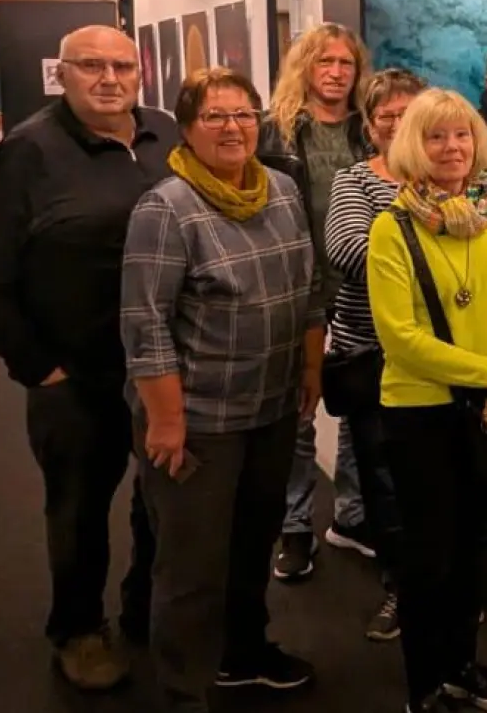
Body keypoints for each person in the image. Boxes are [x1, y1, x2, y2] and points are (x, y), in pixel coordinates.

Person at [0, 25, 167, 688]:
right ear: (63, 75)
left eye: (122, 67)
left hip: (164, 370)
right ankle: (78, 630)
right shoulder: (26, 153)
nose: (110, 79)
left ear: (140, 74)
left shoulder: (166, 134)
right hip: (77, 377)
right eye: (91, 66)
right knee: (78, 512)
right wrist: (38, 369)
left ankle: (146, 604)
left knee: (163, 498)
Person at [121, 67, 322, 712]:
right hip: (199, 419)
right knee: (190, 568)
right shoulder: (166, 209)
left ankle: (244, 654)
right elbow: (145, 326)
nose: (233, 127)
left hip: (270, 407)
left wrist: (310, 373)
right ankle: (183, 691)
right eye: (215, 116)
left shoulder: (284, 190)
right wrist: (166, 421)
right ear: (186, 128)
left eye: (243, 114)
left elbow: (309, 288)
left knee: (251, 545)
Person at [366, 88, 487, 713]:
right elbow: (400, 341)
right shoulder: (392, 227)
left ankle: (462, 663)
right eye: (436, 137)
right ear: (414, 145)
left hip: (485, 406)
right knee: (428, 556)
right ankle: (426, 684)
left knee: (471, 550)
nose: (452, 147)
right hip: (420, 412)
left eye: (461, 135)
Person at [256, 22, 374, 581]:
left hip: (357, 287)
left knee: (357, 403)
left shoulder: (372, 131)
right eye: (324, 61)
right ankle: (296, 524)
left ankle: (352, 515)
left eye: (345, 63)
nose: (335, 72)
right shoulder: (273, 132)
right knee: (299, 411)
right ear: (304, 66)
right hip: (295, 287)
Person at [323, 68, 429, 641]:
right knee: (384, 485)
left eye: (408, 112)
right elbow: (347, 249)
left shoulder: (456, 178)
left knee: (441, 483)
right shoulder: (355, 181)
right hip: (376, 358)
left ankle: (443, 587)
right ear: (370, 125)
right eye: (386, 115)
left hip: (444, 360)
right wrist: (433, 257)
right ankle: (400, 589)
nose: (398, 123)